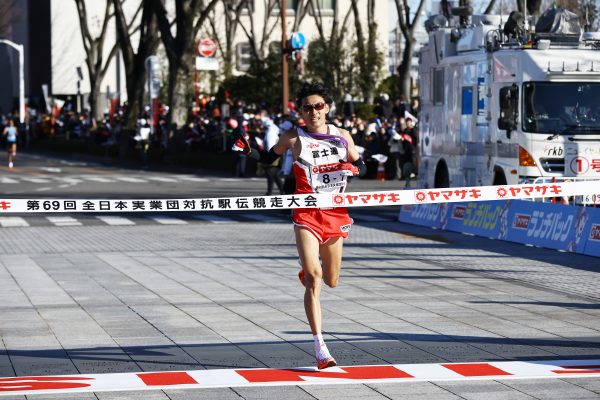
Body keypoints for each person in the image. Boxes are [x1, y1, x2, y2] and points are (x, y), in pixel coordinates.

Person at [233, 82, 366, 369]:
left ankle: (308, 273)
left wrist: (353, 169)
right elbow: (268, 158)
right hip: (306, 214)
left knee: (332, 280)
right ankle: (320, 348)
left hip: (335, 214)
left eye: (319, 106)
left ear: (327, 108)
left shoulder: (342, 137)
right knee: (315, 278)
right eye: (307, 107)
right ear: (301, 112)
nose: (314, 112)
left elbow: (361, 164)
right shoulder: (294, 137)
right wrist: (247, 150)